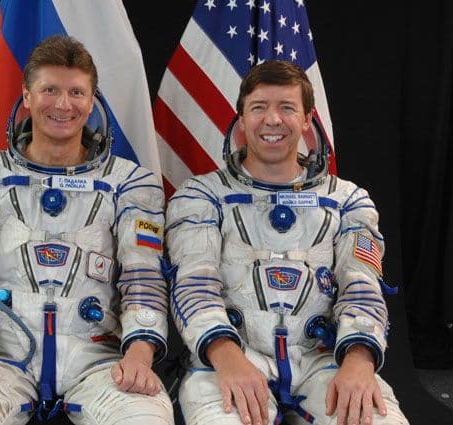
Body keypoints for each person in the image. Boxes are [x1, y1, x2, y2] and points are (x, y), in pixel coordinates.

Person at [0, 35, 173, 425]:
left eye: (76, 92)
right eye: (50, 90)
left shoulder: (129, 183)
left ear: (92, 100)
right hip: (1, 358)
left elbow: (143, 278)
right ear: (27, 96)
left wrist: (139, 355)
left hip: (97, 359)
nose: (63, 104)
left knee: (146, 418)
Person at [165, 60, 408, 425]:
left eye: (287, 108)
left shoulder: (348, 201)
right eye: (259, 108)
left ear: (308, 119)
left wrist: (359, 361)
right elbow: (194, 283)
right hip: (233, 355)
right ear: (241, 118)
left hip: (322, 360)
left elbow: (362, 285)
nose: (273, 120)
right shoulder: (202, 195)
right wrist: (226, 356)